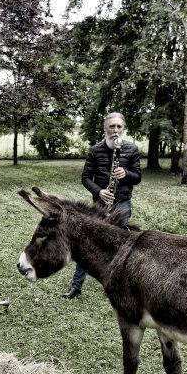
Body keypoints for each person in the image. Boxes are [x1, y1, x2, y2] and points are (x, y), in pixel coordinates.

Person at [63, 112, 141, 299]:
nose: (115, 130)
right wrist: (99, 191)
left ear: (123, 129)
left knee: (120, 244)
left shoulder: (131, 149)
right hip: (100, 204)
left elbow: (137, 177)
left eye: (119, 127)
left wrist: (126, 174)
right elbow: (85, 178)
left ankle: (120, 285)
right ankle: (76, 286)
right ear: (105, 128)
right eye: (111, 126)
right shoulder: (95, 150)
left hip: (122, 203)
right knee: (87, 243)